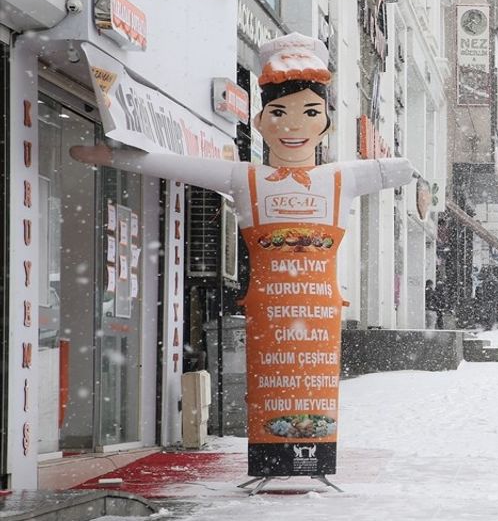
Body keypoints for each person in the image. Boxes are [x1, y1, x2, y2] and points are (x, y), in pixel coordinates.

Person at [69, 33, 413, 480]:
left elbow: (400, 168)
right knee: (272, 389)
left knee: (312, 393)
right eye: (279, 114)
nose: (294, 127)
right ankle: (275, 459)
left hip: (318, 314)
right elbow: (174, 163)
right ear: (261, 120)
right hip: (269, 312)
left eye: (310, 113)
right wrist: (113, 158)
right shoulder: (245, 178)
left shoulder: (341, 178)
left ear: (326, 122)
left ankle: (313, 461)